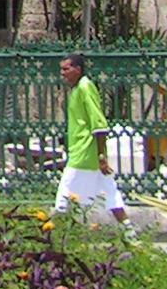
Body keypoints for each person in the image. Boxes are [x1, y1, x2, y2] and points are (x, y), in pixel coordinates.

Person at [55, 54, 128, 223]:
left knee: (63, 201)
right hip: (87, 154)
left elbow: (99, 123)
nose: (62, 73)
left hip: (84, 154)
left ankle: (59, 241)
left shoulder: (85, 87)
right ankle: (131, 237)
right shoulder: (77, 89)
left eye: (66, 69)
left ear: (78, 69)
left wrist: (101, 156)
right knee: (112, 197)